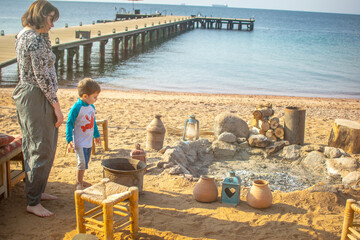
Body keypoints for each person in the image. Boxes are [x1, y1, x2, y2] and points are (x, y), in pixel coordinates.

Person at [12, 0, 63, 217]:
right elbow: (42, 77)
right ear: (41, 16)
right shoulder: (33, 40)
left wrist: (45, 33)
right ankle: (33, 201)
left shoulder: (27, 35)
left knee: (38, 144)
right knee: (41, 146)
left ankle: (37, 191)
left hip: (31, 94)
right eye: (50, 19)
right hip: (36, 95)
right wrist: (57, 106)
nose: (52, 24)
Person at [66, 78, 101, 191]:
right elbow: (69, 123)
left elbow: (93, 122)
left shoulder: (91, 107)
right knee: (82, 162)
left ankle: (80, 179)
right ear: (85, 96)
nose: (96, 99)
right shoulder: (76, 108)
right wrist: (69, 139)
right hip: (79, 141)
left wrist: (96, 135)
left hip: (88, 141)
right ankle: (78, 183)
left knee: (85, 162)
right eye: (94, 97)